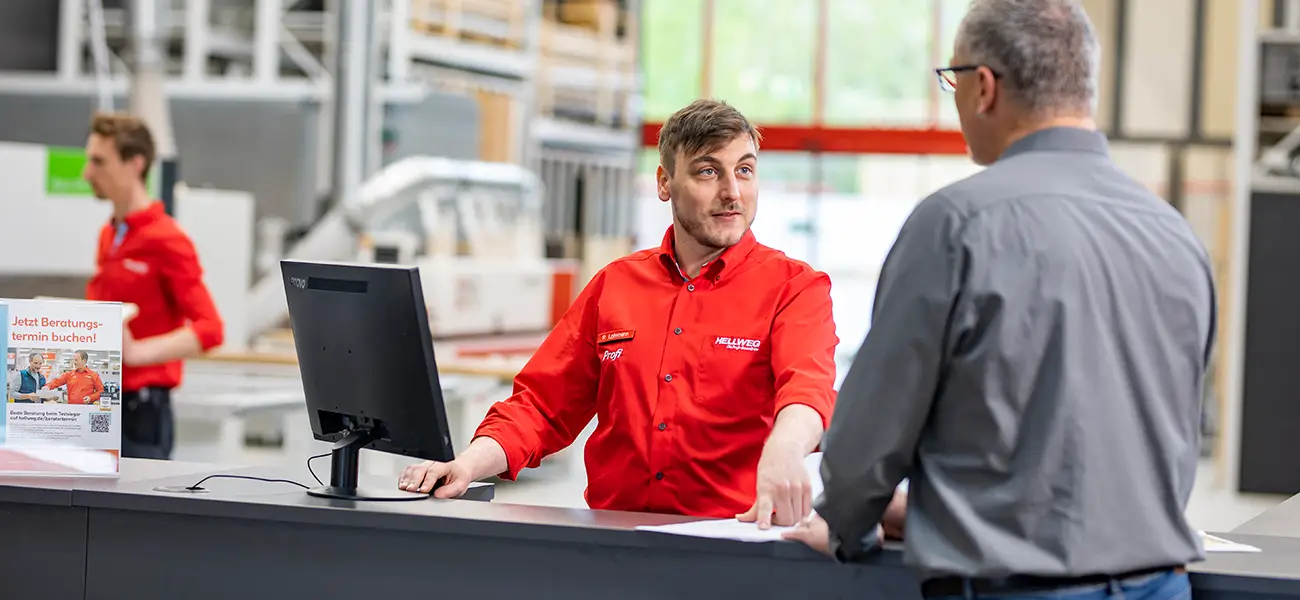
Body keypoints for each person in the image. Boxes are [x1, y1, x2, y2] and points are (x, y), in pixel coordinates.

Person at [783, 1, 1216, 599]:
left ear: (983, 86)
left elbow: (867, 441)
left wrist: (846, 527)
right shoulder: (1174, 234)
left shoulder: (955, 225)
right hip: (1160, 585)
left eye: (952, 80)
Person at [400, 99, 849, 527]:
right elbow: (541, 406)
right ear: (664, 183)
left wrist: (786, 452)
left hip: (731, 541)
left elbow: (806, 394)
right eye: (708, 171)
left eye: (745, 170)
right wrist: (468, 464)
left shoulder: (794, 287)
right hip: (613, 541)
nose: (732, 192)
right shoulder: (615, 286)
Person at [81, 112, 225, 459]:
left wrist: (137, 353)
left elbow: (210, 329)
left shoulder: (166, 239)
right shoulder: (110, 234)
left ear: (135, 164)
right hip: (99, 403)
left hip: (141, 414)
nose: (88, 174)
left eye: (99, 162)